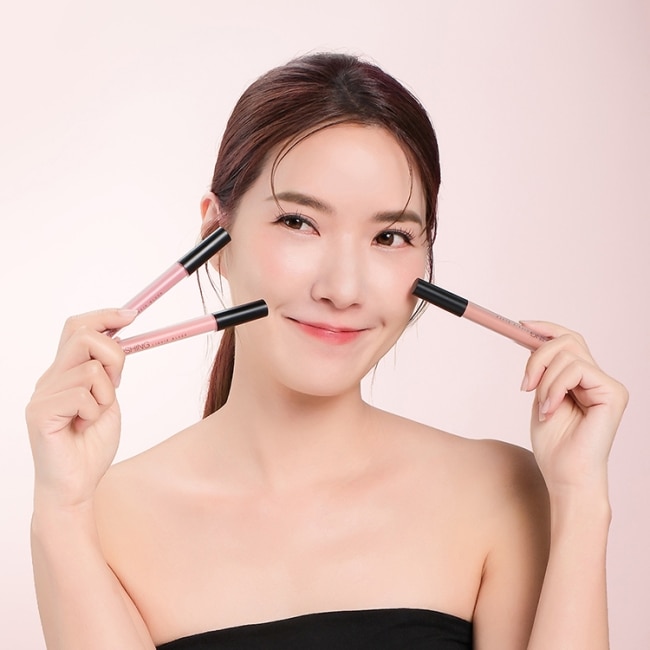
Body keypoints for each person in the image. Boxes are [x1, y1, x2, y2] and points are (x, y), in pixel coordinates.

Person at [25, 52, 628, 650]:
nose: (342, 289)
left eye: (389, 236)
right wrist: (61, 509)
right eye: (298, 223)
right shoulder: (103, 520)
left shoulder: (500, 492)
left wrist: (582, 501)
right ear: (216, 237)